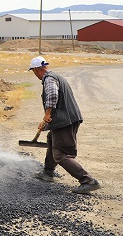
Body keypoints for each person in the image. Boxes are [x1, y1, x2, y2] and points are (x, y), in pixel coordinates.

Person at [29, 56, 101, 194]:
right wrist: (47, 119)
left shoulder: (49, 79)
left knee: (61, 154)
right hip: (66, 119)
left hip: (65, 121)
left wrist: (47, 113)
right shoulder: (55, 76)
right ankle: (48, 172)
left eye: (33, 71)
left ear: (38, 69)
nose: (34, 74)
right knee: (51, 139)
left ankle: (88, 181)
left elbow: (53, 96)